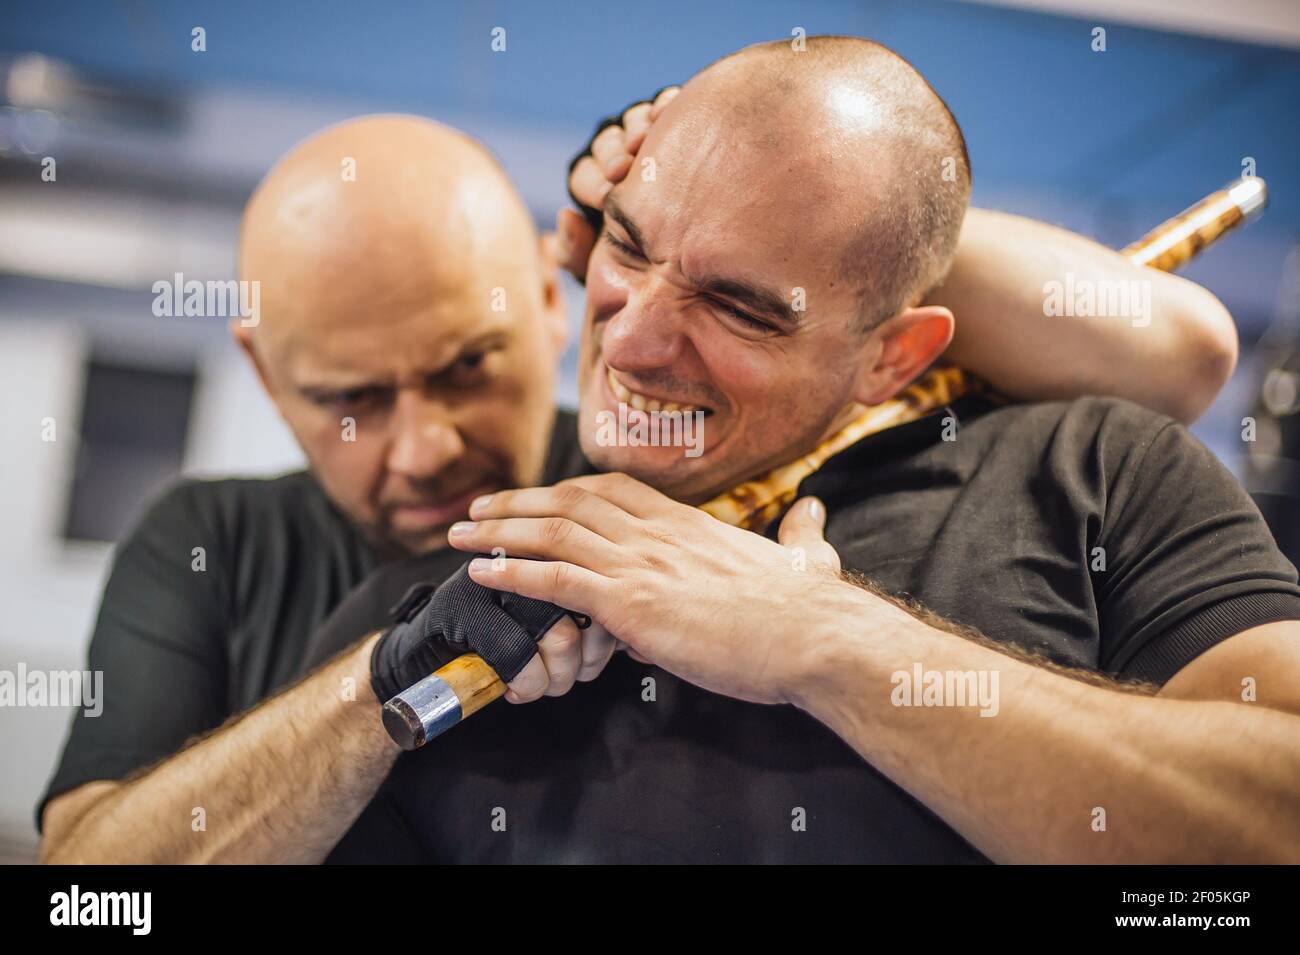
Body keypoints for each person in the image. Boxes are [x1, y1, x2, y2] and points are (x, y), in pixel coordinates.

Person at [37, 38, 1244, 862]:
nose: (643, 338)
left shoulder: (1089, 473)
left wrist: (829, 646)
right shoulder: (446, 595)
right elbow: (107, 902)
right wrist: (375, 697)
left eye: (744, 302)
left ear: (892, 354)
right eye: (625, 243)